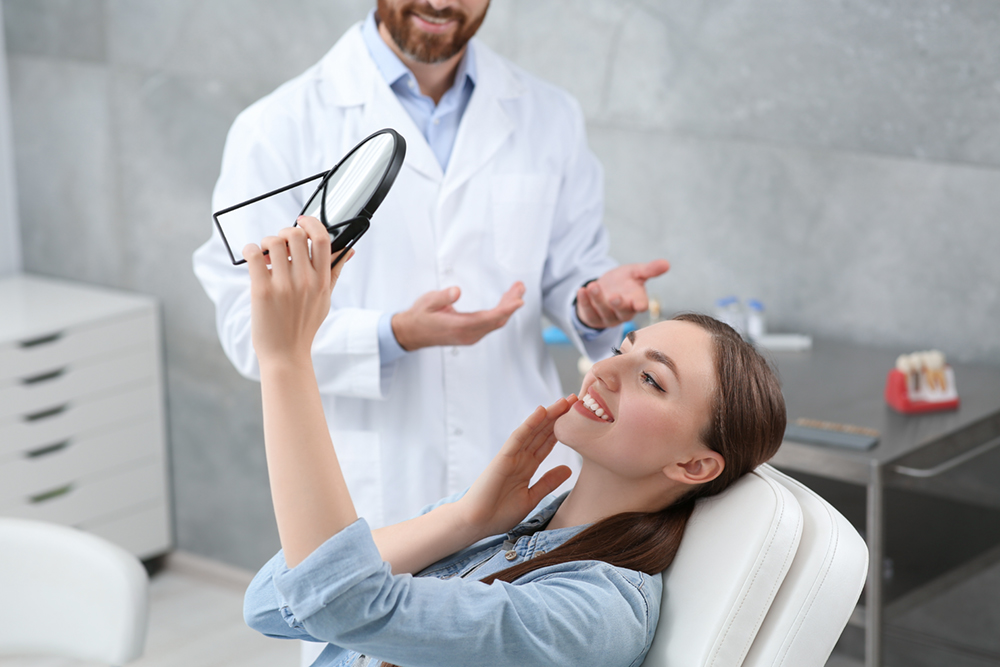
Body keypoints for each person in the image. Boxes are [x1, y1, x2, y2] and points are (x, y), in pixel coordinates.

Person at [191, 0, 670, 532]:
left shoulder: (549, 114)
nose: (442, 3)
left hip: (523, 464)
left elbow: (571, 268)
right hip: (375, 480)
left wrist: (593, 301)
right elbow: (246, 325)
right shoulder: (276, 126)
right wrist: (393, 335)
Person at [240, 218, 786, 667]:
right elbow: (270, 602)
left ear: (694, 465)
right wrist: (462, 522)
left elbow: (337, 603)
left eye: (652, 380)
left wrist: (287, 360)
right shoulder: (503, 528)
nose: (604, 370)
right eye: (623, 347)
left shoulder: (597, 612)